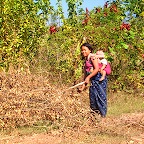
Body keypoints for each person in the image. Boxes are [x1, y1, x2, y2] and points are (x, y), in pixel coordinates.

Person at [78, 43, 107, 117]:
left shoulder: (93, 57)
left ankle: (103, 116)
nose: (83, 52)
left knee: (100, 97)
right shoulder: (86, 60)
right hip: (93, 80)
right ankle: (94, 116)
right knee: (93, 97)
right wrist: (83, 87)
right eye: (82, 50)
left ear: (90, 50)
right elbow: (85, 75)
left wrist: (88, 77)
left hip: (99, 79)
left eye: (85, 50)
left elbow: (96, 69)